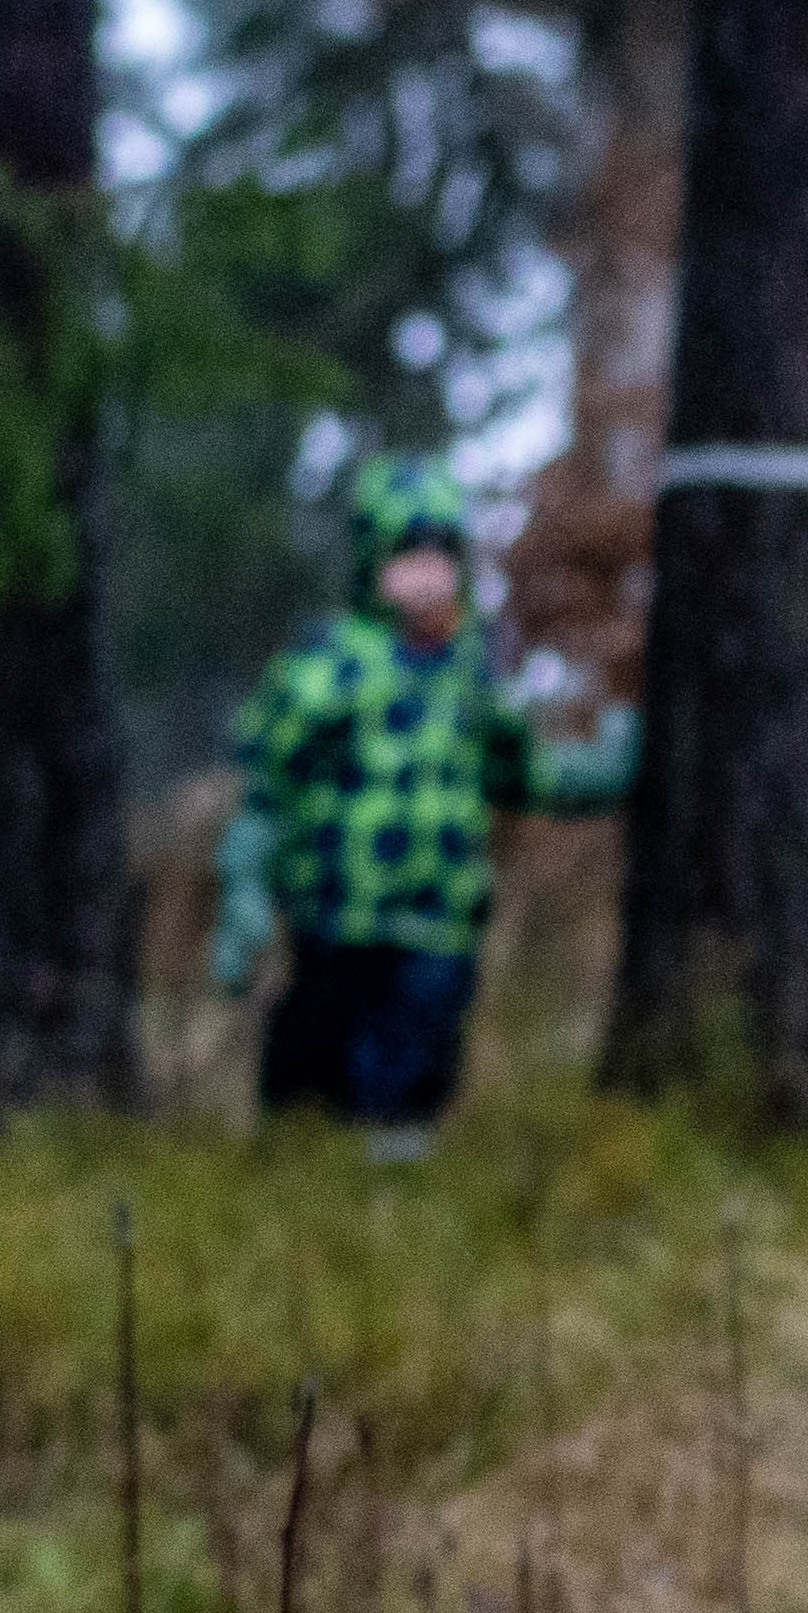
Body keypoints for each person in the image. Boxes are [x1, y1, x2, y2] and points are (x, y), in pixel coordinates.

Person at [213, 455, 631, 1146]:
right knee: (307, 1092)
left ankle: (394, 1212)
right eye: (407, 551)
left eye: (441, 552)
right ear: (372, 559)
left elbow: (529, 775)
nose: (425, 571)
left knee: (407, 1091)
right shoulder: (327, 667)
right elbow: (263, 793)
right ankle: (299, 1208)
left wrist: (615, 764)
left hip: (436, 935)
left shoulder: (470, 680)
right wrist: (243, 900)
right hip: (333, 926)